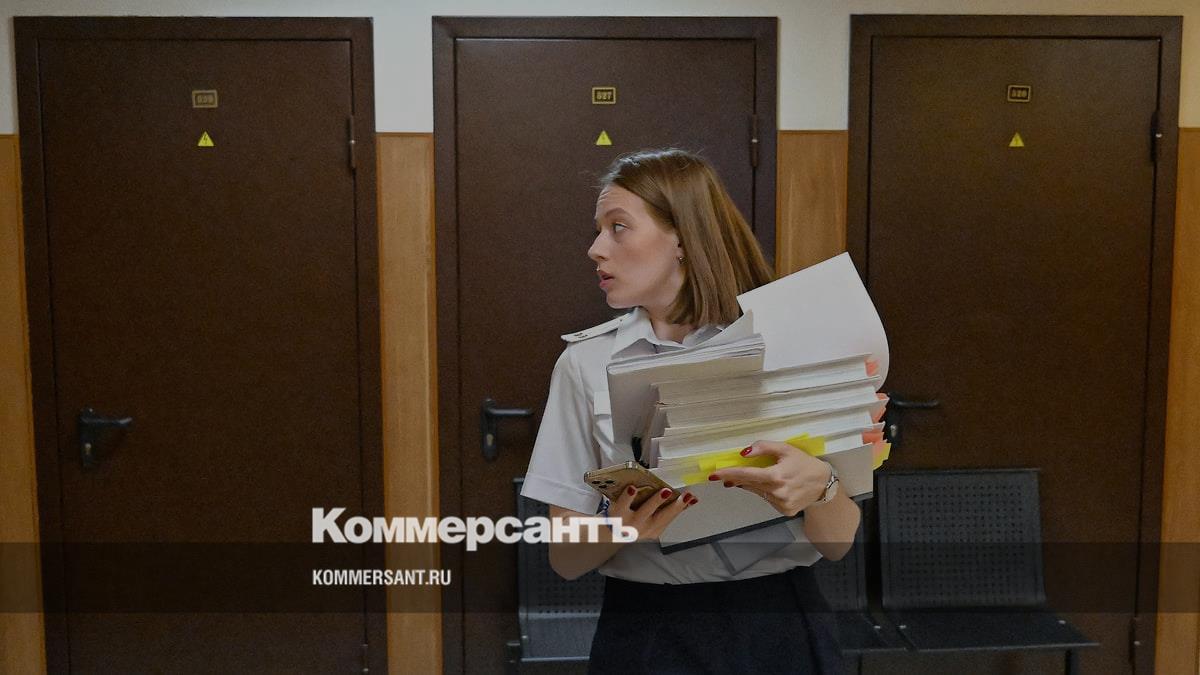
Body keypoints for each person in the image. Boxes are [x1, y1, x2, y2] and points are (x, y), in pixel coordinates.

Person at [520, 148, 860, 673]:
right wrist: (620, 528)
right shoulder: (584, 364)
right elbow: (565, 558)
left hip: (782, 624)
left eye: (617, 228)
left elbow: (838, 544)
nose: (595, 249)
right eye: (598, 230)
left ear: (681, 237)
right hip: (648, 626)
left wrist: (823, 488)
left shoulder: (791, 345)